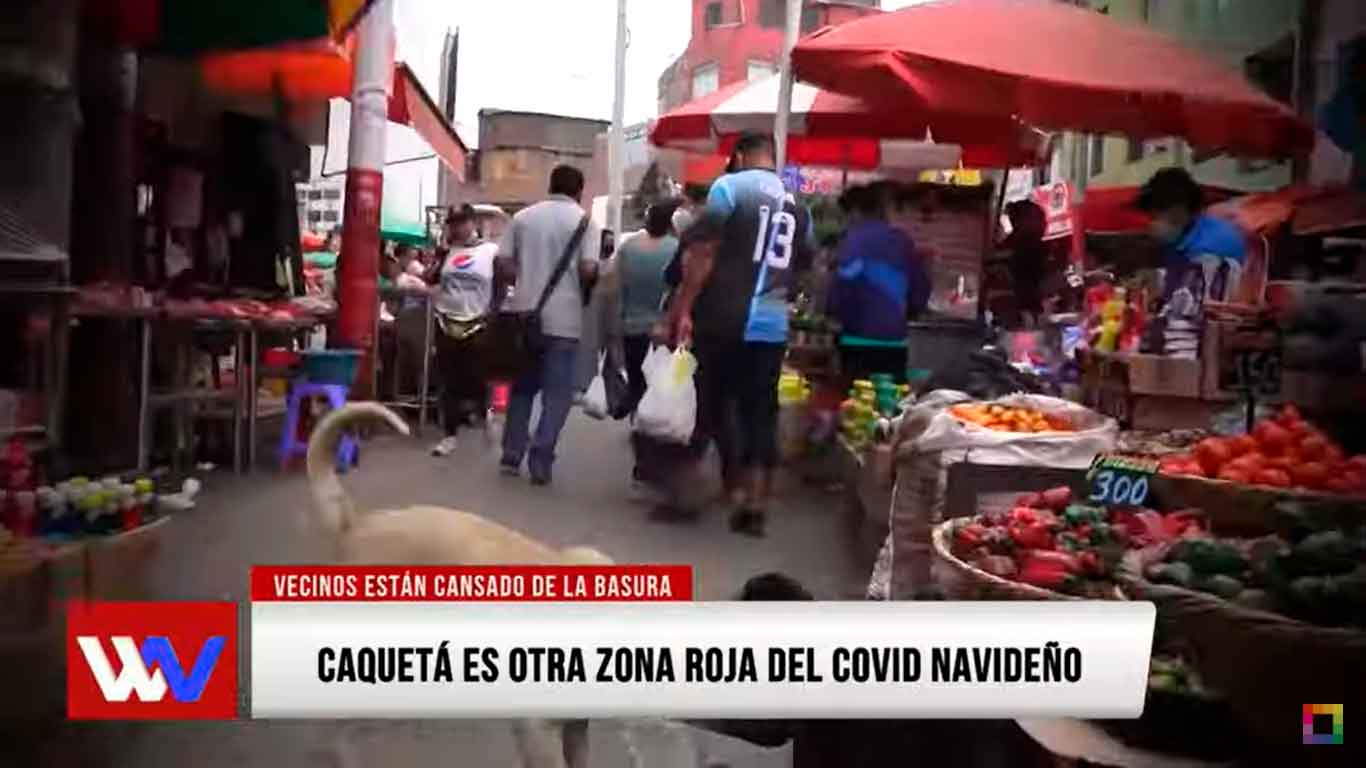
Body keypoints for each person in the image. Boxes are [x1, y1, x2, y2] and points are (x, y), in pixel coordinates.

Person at [668, 132, 814, 537]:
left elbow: (703, 253)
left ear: (739, 156)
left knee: (712, 401)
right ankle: (756, 501)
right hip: (771, 323)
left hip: (723, 317)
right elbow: (804, 264)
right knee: (761, 411)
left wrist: (684, 309)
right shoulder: (799, 206)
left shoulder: (729, 188)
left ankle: (703, 488)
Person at [495, 165, 601, 485]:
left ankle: (512, 455)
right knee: (557, 395)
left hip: (525, 314)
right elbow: (587, 268)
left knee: (523, 388)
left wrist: (524, 282)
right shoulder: (586, 222)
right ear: (579, 190)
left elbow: (503, 262)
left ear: (550, 185)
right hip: (565, 321)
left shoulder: (524, 218)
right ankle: (541, 459)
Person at [826, 184, 929, 383]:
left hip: (857, 340)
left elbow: (843, 286)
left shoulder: (853, 240)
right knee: (890, 403)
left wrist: (832, 313)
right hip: (895, 341)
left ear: (855, 211)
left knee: (856, 404)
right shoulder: (902, 240)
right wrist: (907, 314)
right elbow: (920, 289)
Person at [429, 205, 500, 456]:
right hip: (446, 320)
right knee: (448, 381)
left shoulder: (492, 252)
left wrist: (495, 314)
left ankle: (485, 413)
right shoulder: (446, 252)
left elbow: (502, 285)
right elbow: (433, 281)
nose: (458, 227)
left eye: (462, 222)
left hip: (478, 323)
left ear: (473, 223)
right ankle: (449, 435)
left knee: (476, 376)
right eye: (453, 223)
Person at [1136, 167, 1246, 303]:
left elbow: (1193, 305)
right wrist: (1157, 277)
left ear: (1179, 210)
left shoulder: (1211, 248)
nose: (1151, 224)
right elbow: (1177, 279)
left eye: (1155, 216)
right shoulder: (1183, 236)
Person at [618, 200, 680, 418]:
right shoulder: (676, 249)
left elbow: (618, 287)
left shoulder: (628, 247)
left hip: (631, 326)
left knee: (637, 382)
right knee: (666, 383)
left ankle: (638, 420)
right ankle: (661, 426)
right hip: (666, 329)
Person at [1001, 199, 1049, 327]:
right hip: (1021, 315)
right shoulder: (1032, 249)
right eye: (1040, 219)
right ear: (1021, 222)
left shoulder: (1003, 247)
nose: (1045, 224)